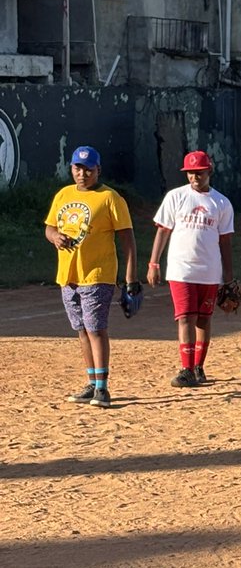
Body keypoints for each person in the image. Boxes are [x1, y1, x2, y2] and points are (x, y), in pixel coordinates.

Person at [44, 145, 139, 408]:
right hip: (68, 274)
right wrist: (54, 237)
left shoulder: (111, 198)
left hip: (97, 273)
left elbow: (128, 240)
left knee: (96, 329)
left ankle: (102, 388)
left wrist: (131, 277)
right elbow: (50, 227)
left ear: (98, 170)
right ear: (71, 168)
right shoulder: (63, 195)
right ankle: (91, 382)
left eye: (88, 168)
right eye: (78, 167)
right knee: (82, 330)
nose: (82, 173)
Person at [147, 149, 235, 388]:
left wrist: (228, 276)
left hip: (209, 270)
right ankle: (186, 369)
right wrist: (154, 263)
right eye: (190, 173)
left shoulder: (221, 202)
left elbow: (225, 240)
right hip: (181, 268)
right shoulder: (176, 197)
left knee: (204, 319)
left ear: (210, 171)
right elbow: (163, 230)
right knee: (185, 317)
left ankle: (198, 367)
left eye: (199, 172)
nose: (195, 177)